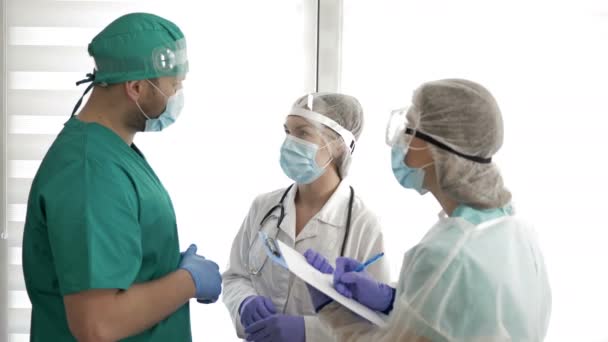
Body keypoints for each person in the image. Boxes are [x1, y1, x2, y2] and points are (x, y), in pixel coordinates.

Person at [297, 79, 552, 341]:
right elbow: (458, 314)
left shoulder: (445, 256)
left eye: (408, 128)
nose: (400, 139)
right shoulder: (515, 231)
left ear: (434, 148)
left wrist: (330, 308)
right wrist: (394, 299)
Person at [21, 13, 222, 342]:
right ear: (137, 87)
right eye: (174, 84)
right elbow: (97, 323)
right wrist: (188, 281)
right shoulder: (89, 170)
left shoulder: (110, 152)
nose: (178, 95)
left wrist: (166, 268)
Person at [223, 93, 390, 341]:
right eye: (287, 132)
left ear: (337, 144)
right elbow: (236, 276)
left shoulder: (363, 223)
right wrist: (244, 303)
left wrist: (307, 332)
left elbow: (378, 323)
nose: (289, 142)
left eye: (302, 133)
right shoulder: (264, 207)